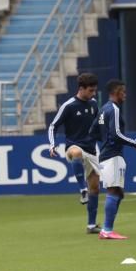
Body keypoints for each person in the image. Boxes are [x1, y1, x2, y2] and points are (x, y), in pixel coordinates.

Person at [48, 73, 102, 234]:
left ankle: (91, 225)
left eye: (94, 91)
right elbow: (53, 126)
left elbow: (99, 123)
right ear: (81, 89)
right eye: (90, 90)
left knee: (95, 188)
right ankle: (81, 191)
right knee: (76, 153)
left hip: (92, 149)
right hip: (73, 146)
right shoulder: (69, 105)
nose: (93, 94)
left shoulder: (93, 104)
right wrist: (52, 145)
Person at [93, 80, 136, 240]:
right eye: (124, 92)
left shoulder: (102, 110)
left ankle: (108, 229)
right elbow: (116, 133)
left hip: (108, 154)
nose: (125, 95)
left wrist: (105, 141)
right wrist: (134, 143)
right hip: (112, 155)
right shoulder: (113, 109)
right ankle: (107, 230)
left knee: (118, 192)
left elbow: (94, 130)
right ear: (116, 92)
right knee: (114, 190)